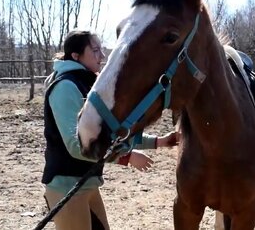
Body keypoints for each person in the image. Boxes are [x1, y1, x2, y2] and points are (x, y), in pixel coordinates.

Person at [42, 30, 178, 230]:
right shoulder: (66, 87)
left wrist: (158, 142)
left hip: (86, 184)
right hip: (66, 186)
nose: (102, 56)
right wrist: (126, 158)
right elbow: (76, 146)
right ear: (75, 56)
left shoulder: (86, 84)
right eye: (95, 50)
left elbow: (110, 135)